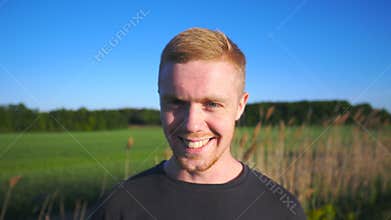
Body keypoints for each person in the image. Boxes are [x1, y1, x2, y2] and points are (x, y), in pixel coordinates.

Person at [90, 27, 306, 220]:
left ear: (240, 106)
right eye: (176, 102)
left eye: (212, 103)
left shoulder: (282, 210)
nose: (192, 125)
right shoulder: (118, 206)